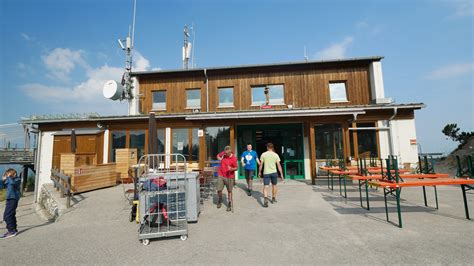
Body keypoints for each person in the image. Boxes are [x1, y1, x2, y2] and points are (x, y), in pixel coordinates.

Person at [258, 143, 284, 208]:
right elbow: (279, 165)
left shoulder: (263, 154)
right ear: (272, 147)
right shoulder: (275, 155)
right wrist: (281, 174)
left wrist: (259, 172)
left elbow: (261, 165)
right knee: (274, 185)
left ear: (267, 147)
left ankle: (265, 199)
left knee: (266, 186)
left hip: (266, 173)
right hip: (274, 172)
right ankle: (273, 198)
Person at [216, 146, 238, 212]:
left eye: (226, 153)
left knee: (229, 191)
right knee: (219, 189)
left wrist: (231, 169)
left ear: (230, 152)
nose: (225, 154)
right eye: (225, 153)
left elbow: (236, 168)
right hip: (221, 174)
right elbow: (218, 155)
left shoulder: (234, 158)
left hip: (229, 176)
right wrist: (219, 158)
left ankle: (229, 203)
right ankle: (220, 200)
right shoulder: (224, 153)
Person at [1, 168, 21, 239]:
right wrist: (3, 181)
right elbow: (2, 187)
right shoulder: (9, 180)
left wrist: (9, 177)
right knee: (10, 215)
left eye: (8, 174)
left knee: (7, 216)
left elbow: (13, 184)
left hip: (13, 199)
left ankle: (11, 231)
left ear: (13, 174)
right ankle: (13, 229)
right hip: (9, 199)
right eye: (7, 175)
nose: (7, 176)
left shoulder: (17, 180)